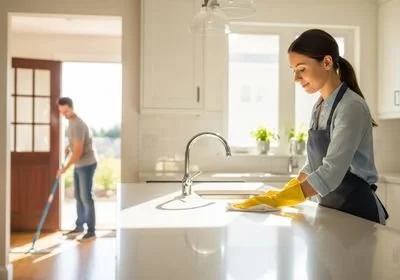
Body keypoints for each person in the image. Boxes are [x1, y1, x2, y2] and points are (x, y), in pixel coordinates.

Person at [228, 29, 388, 224]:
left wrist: (279, 200)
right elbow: (313, 164)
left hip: (359, 212)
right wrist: (286, 191)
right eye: (293, 70)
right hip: (332, 209)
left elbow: (331, 171)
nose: (296, 78)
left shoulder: (351, 107)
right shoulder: (320, 105)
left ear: (327, 62)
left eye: (301, 69)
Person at [57, 97, 98, 241]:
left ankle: (91, 231)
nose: (65, 114)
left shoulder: (78, 124)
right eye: (62, 112)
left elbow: (79, 151)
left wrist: (64, 169)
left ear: (72, 108)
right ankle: (79, 226)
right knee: (78, 196)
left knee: (86, 197)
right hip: (79, 164)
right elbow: (76, 144)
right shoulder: (71, 123)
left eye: (66, 111)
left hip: (86, 164)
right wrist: (69, 147)